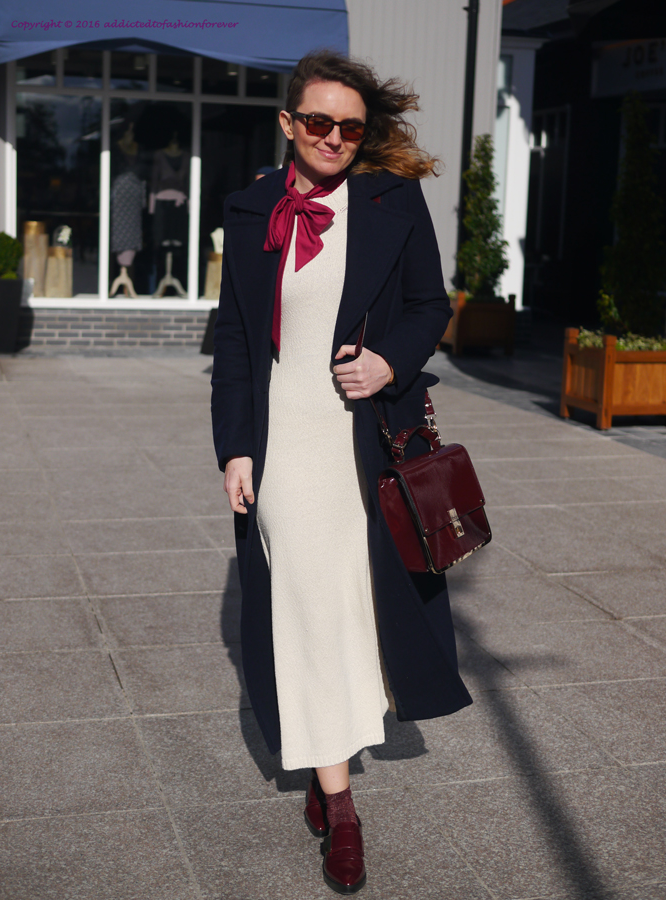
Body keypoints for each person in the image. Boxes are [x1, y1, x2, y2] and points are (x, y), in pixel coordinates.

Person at [211, 50, 472, 895]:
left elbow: (429, 305)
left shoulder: (393, 200)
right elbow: (236, 341)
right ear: (288, 123)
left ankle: (328, 767)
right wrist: (235, 449)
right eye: (318, 122)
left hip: (364, 442)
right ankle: (342, 804)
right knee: (308, 612)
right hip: (283, 447)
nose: (333, 138)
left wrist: (389, 362)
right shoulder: (250, 208)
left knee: (357, 609)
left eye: (350, 127)